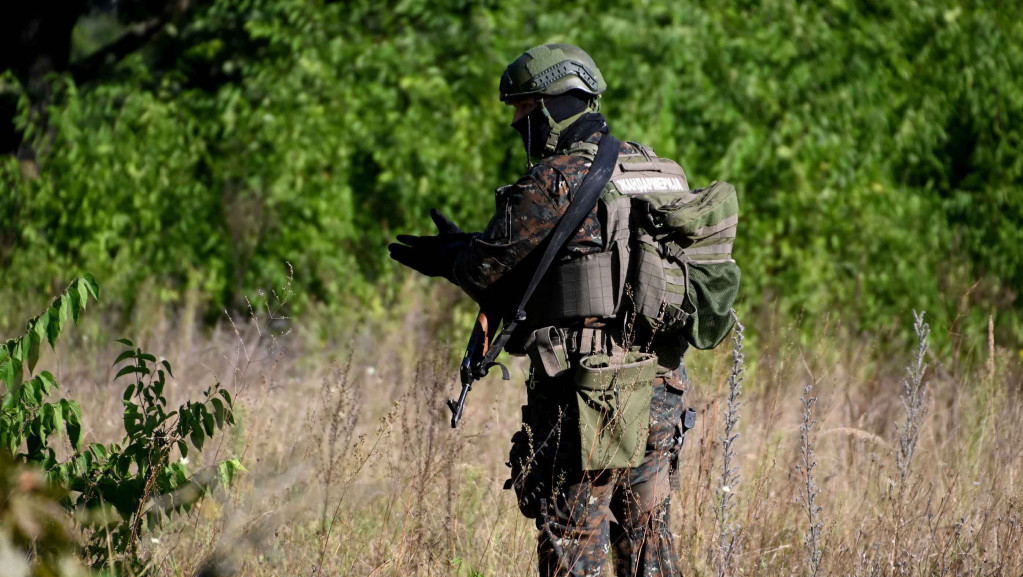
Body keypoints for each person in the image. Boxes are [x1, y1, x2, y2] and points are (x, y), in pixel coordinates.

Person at [389, 43, 691, 577]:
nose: (516, 122)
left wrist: (450, 253)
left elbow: (485, 269)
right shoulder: (656, 167)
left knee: (572, 542)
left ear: (553, 107)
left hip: (588, 393)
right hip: (661, 384)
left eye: (523, 108)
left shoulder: (552, 180)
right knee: (648, 538)